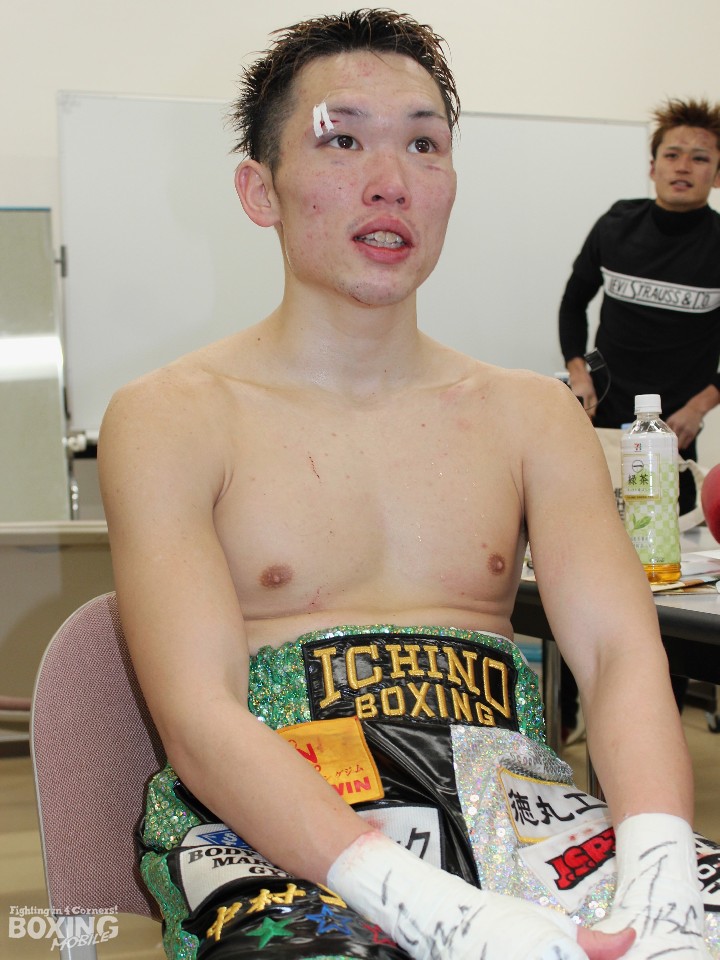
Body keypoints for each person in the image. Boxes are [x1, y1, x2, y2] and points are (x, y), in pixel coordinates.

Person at [98, 11, 719, 960]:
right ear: (260, 190)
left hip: (522, 817)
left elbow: (619, 657)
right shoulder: (169, 416)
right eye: (342, 140)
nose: (391, 180)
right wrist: (424, 906)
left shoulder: (533, 415)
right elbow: (198, 713)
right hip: (276, 829)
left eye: (424, 144)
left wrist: (662, 863)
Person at [559, 97, 720, 516]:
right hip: (604, 418)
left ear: (717, 174)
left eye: (699, 158)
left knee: (669, 533)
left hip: (675, 430)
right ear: (653, 167)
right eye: (672, 155)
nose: (683, 167)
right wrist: (579, 373)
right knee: (597, 520)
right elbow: (573, 303)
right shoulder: (616, 224)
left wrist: (699, 408)